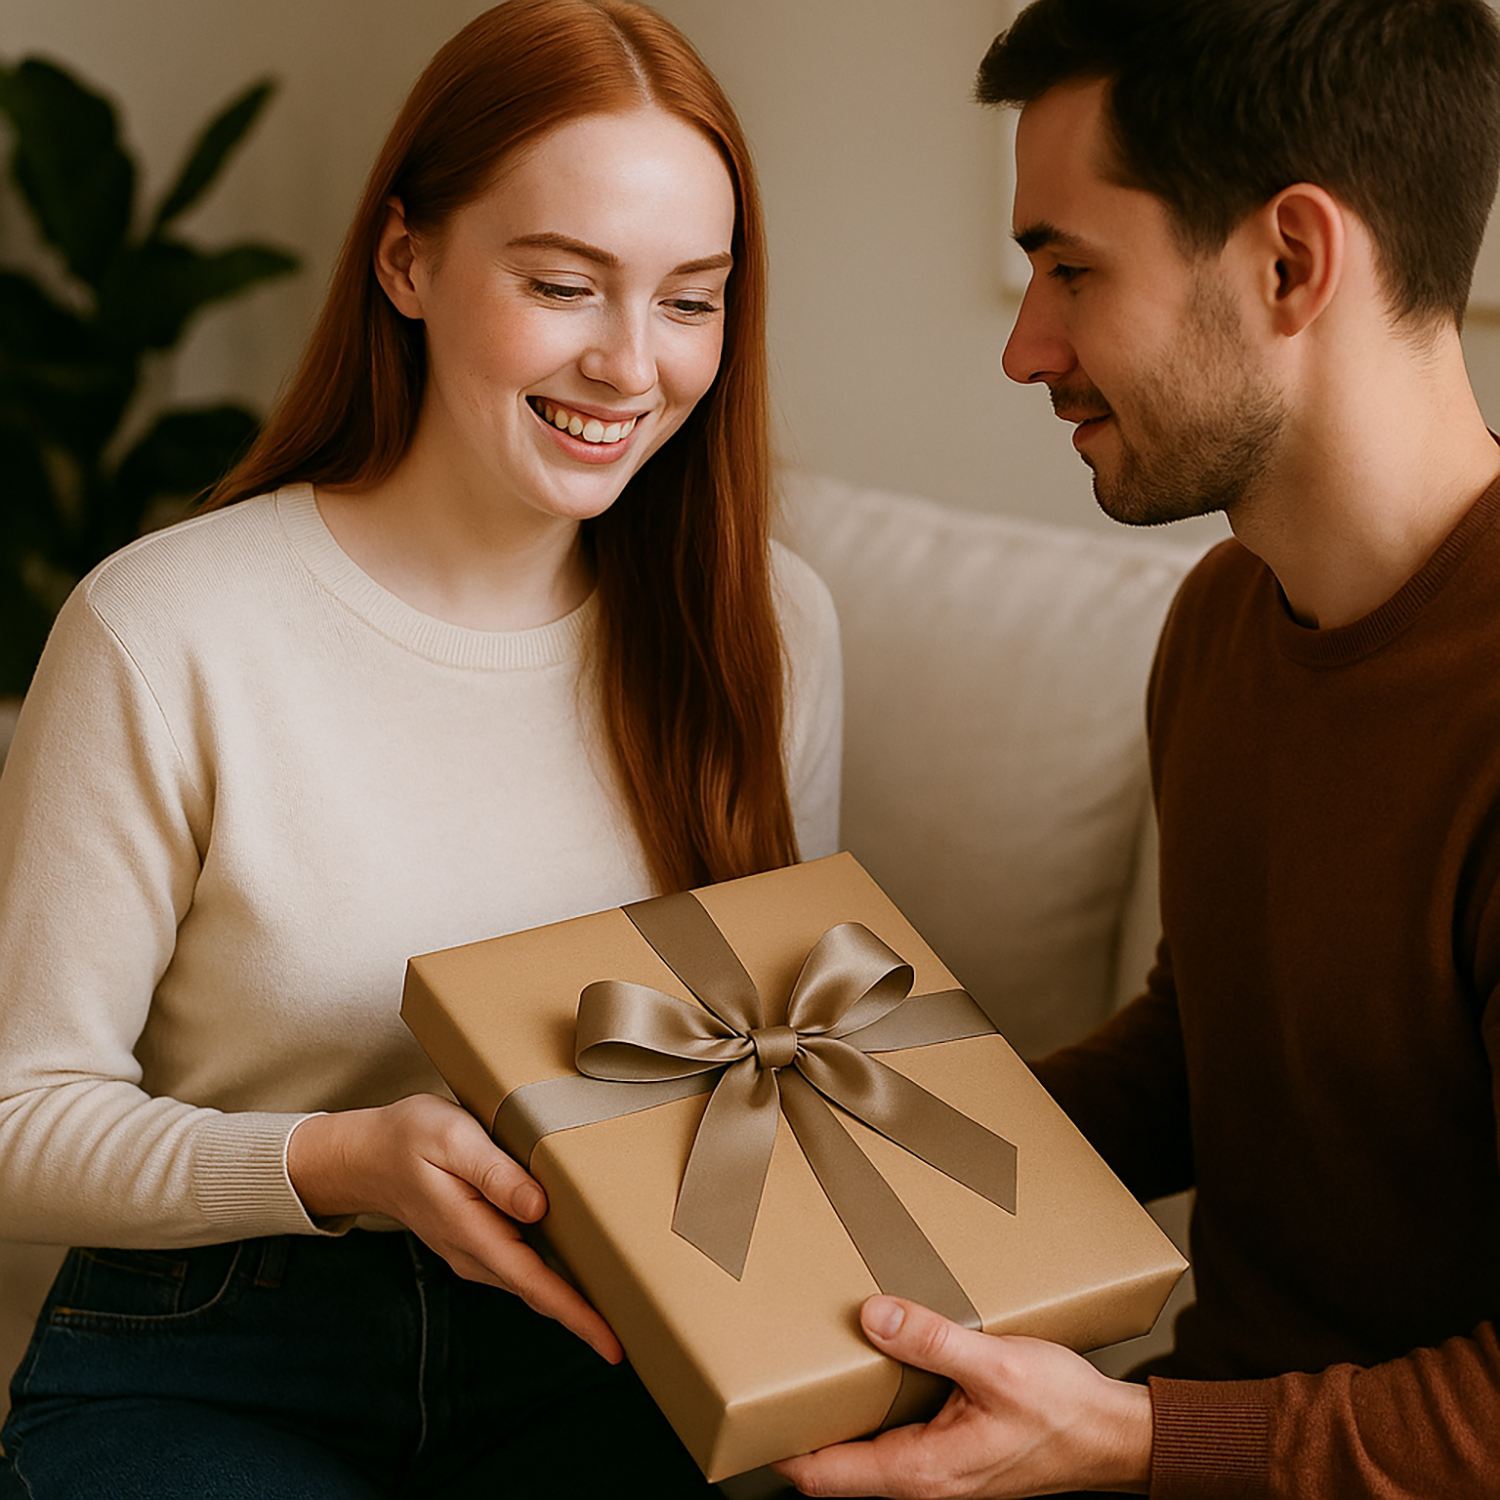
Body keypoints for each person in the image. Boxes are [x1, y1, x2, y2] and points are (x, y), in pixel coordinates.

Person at [0, 2, 841, 1495]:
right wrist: (330, 1162)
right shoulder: (165, 628)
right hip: (224, 1332)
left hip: (607, 1332)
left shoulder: (766, 622)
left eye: (691, 301)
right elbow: (16, 1117)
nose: (630, 366)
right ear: (407, 261)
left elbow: (775, 1070)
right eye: (565, 286)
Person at [776, 0, 1500, 1496]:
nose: (1026, 347)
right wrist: (867, 1147)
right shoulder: (1227, 620)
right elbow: (1212, 1040)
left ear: (1292, 262)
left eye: (1070, 267)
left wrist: (1130, 1440)